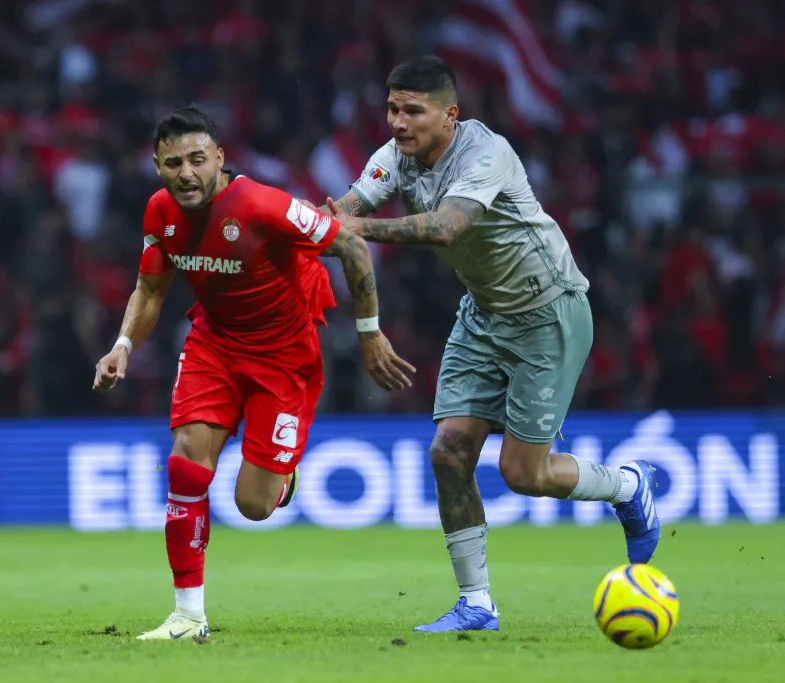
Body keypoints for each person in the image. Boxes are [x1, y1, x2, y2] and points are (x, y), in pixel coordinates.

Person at [319, 56, 660, 632]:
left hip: (547, 312)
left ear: (449, 115)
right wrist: (296, 223)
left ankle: (629, 485)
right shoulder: (394, 156)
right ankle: (476, 604)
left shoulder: (486, 153)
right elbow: (343, 212)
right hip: (483, 313)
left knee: (525, 474)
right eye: (392, 109)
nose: (398, 122)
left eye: (413, 111)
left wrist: (358, 230)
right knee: (448, 452)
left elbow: (447, 226)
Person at [93, 105, 415, 642]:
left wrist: (369, 332)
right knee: (186, 465)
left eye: (197, 159)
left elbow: (351, 245)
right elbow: (150, 290)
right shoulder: (159, 212)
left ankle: (281, 478)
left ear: (220, 157)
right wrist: (122, 345)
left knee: (253, 504)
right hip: (213, 345)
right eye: (173, 163)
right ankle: (188, 616)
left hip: (282, 357)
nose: (186, 173)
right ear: (157, 166)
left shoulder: (263, 205)